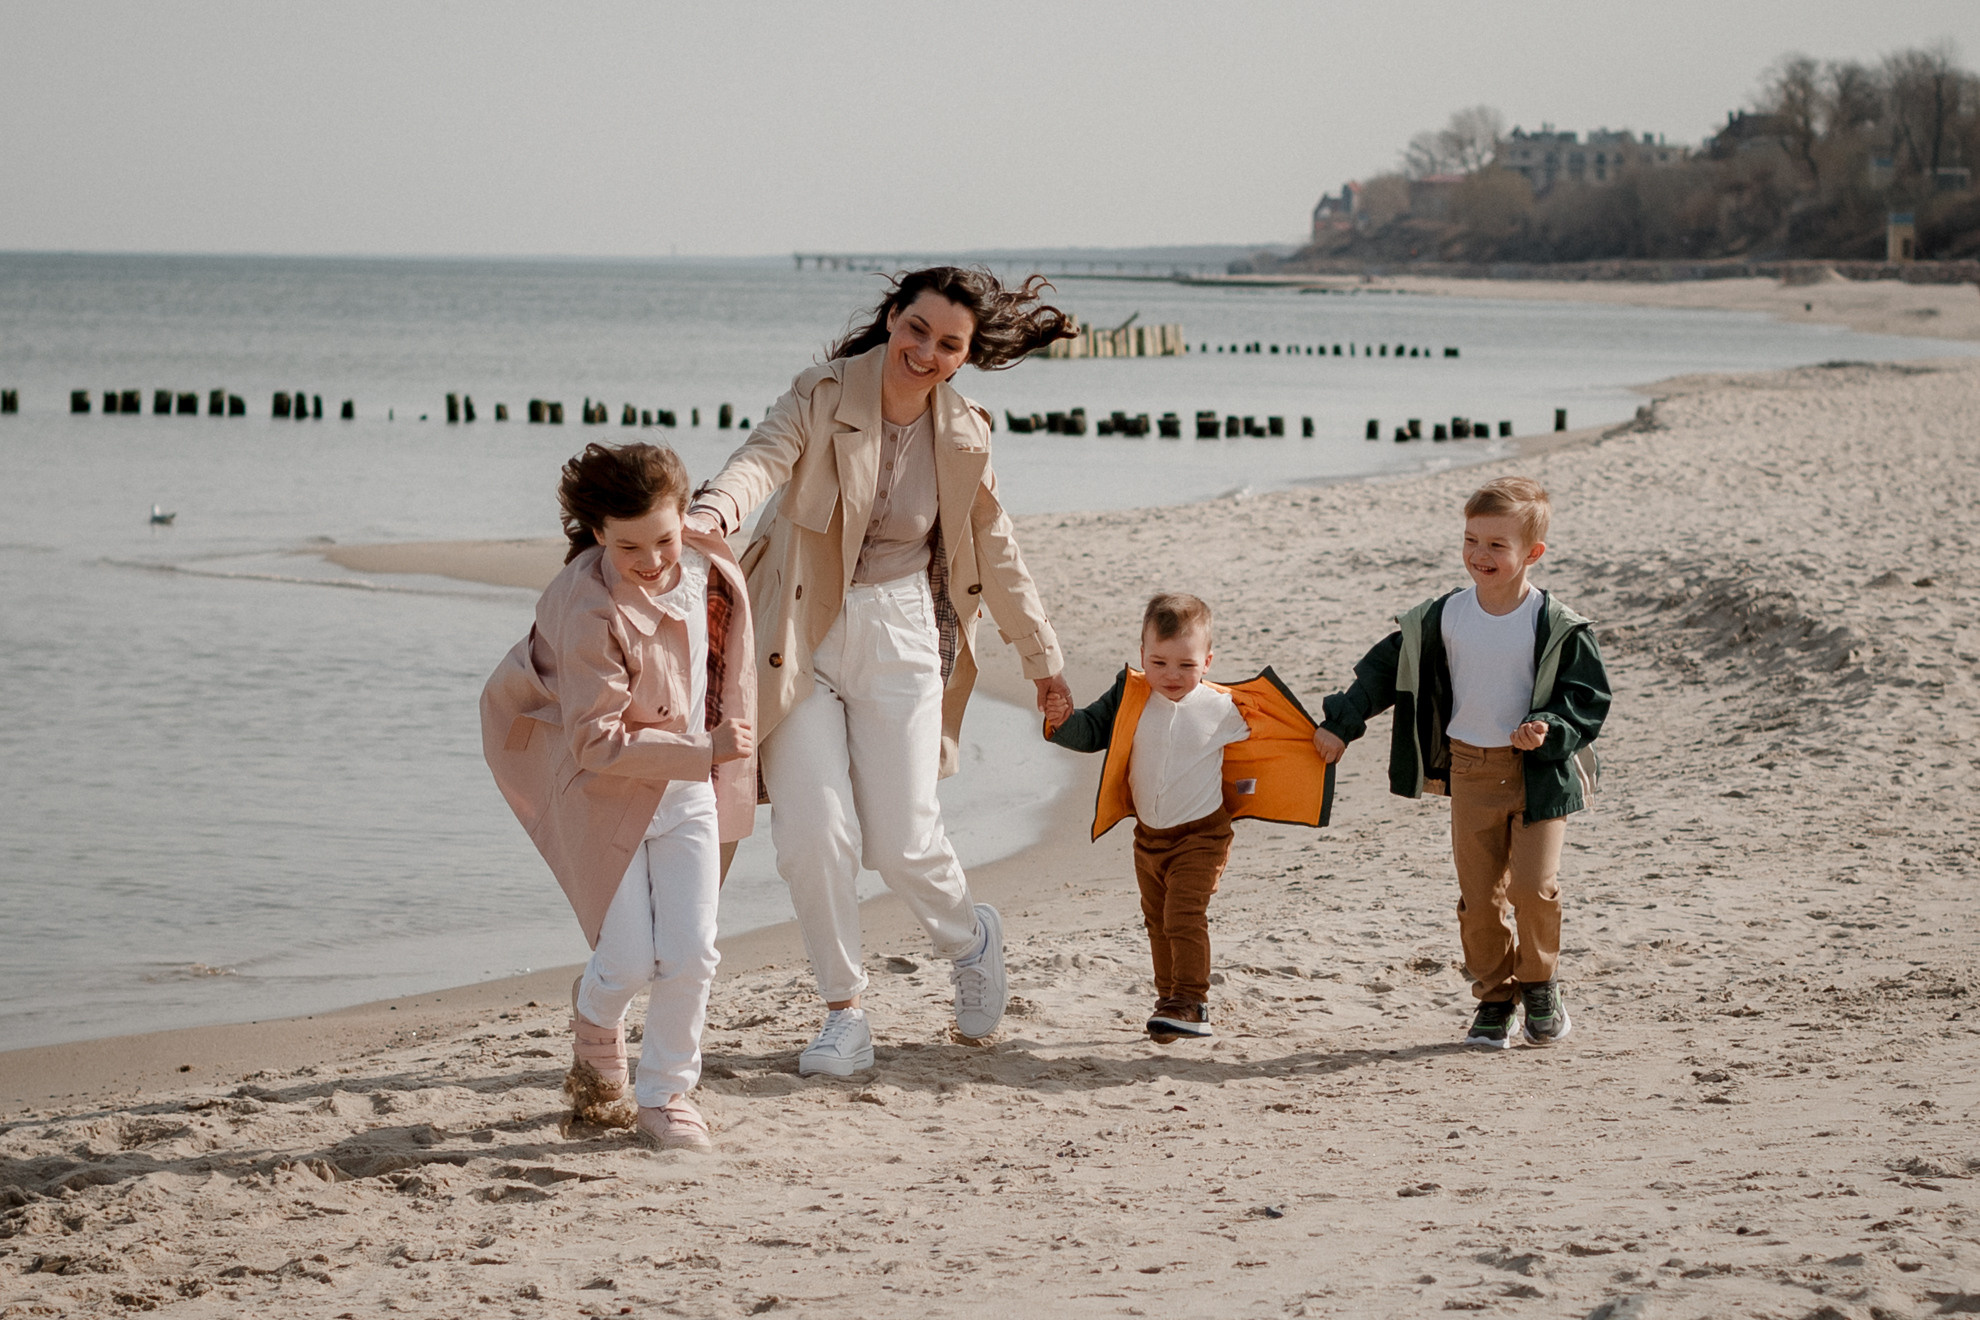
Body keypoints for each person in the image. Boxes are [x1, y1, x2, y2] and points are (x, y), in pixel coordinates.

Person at [686, 266, 1073, 1076]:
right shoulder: (824, 393)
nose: (925, 352)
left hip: (901, 633)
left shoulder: (966, 431)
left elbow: (996, 551)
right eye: (917, 330)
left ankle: (971, 939)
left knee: (901, 843)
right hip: (800, 632)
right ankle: (844, 1015)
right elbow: (764, 455)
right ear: (892, 317)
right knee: (812, 836)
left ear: (965, 356)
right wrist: (717, 508)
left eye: (948, 344)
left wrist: (1042, 661)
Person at [481, 442, 757, 1149]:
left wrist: (708, 756)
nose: (653, 559)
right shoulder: (588, 607)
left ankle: (666, 1097)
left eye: (664, 538)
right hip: (603, 790)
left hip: (685, 790)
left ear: (683, 518)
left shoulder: (700, 555)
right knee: (628, 960)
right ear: (597, 531)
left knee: (694, 950)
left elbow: (750, 481)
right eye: (629, 544)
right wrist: (709, 749)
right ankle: (597, 1018)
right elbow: (596, 743)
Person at [1314, 476, 1610, 1049]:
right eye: (1472, 540)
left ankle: (1540, 983)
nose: (1481, 554)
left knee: (1534, 888)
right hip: (1471, 771)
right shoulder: (1442, 617)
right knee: (1479, 900)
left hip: (1539, 774)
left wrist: (1549, 730)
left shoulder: (1556, 624)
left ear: (1533, 553)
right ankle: (1496, 999)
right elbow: (1380, 673)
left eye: (1497, 545)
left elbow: (1586, 698)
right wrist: (1341, 724)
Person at [1043, 593, 1333, 1042]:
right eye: (1159, 663)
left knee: (1183, 913)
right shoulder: (1130, 695)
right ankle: (1170, 1002)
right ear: (1141, 656)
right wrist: (1062, 722)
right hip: (1149, 837)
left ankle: (1192, 1001)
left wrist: (1325, 738)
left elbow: (1283, 737)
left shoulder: (1224, 706)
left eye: (1186, 665)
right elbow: (1092, 731)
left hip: (1203, 834)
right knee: (1156, 919)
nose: (1171, 676)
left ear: (1208, 661)